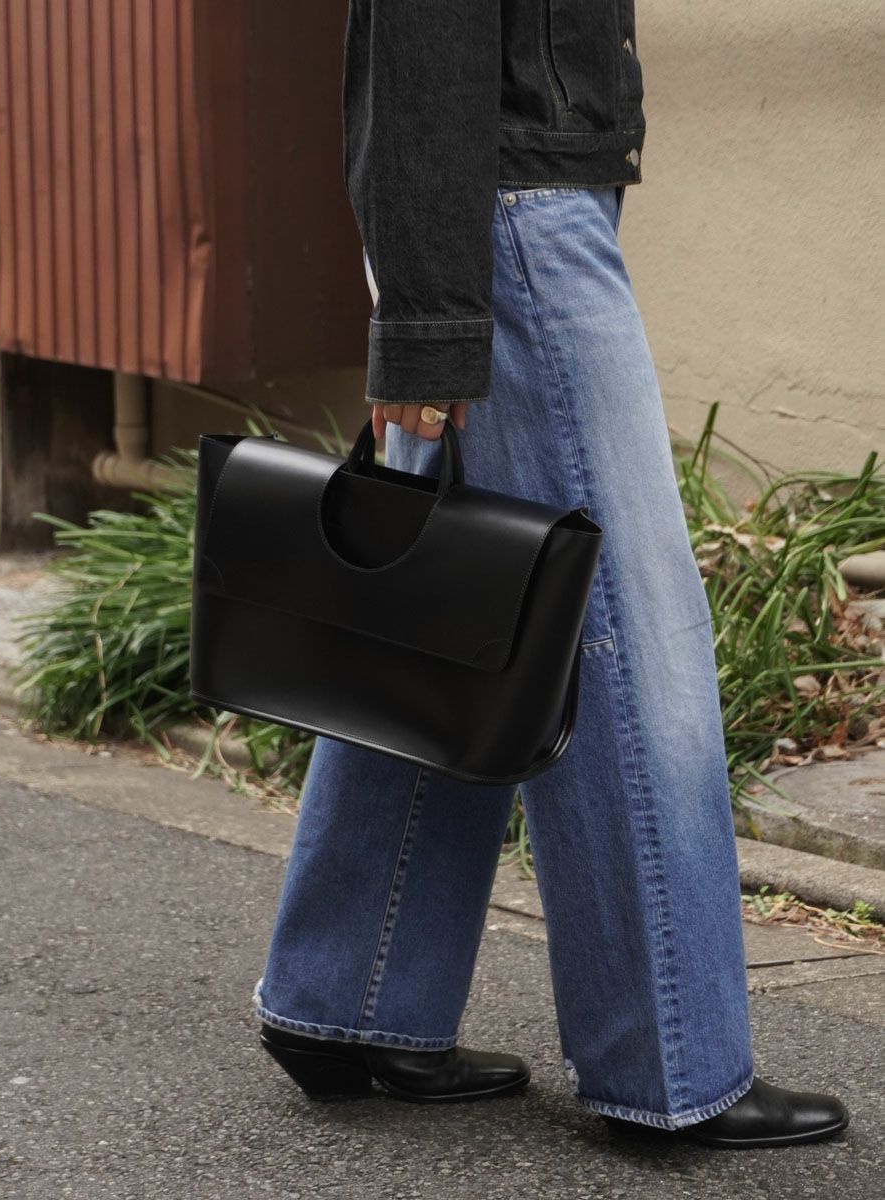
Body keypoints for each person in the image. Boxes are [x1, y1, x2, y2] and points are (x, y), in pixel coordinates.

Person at [253, 1, 849, 1148]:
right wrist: (429, 317)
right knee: (631, 636)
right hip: (511, 221)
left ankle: (349, 998)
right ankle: (671, 1067)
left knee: (444, 614)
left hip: (492, 214)